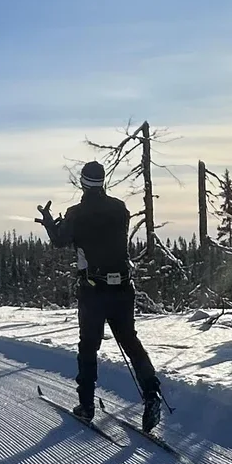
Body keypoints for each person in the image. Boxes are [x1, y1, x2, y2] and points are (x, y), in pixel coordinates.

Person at [36, 160, 163, 429]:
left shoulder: (75, 213)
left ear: (82, 182)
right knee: (130, 343)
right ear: (103, 181)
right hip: (123, 288)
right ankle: (152, 394)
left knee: (88, 346)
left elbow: (60, 241)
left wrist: (49, 222)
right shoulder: (120, 209)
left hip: (93, 289)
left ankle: (86, 405)